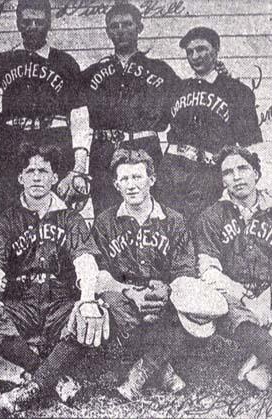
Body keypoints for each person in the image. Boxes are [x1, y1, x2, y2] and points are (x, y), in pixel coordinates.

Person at [0, 143, 109, 413]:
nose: (36, 177)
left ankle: (30, 387)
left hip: (59, 303)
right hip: (22, 303)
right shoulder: (7, 220)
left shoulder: (70, 218)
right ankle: (53, 377)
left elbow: (85, 261)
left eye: (43, 171)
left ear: (55, 177)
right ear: (20, 177)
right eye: (30, 171)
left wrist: (87, 300)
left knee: (92, 315)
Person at [194, 145, 272, 398]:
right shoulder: (211, 216)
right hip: (233, 297)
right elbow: (208, 270)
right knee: (234, 314)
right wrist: (242, 296)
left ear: (256, 173)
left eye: (243, 168)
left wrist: (270, 297)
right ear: (222, 180)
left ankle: (265, 366)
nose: (237, 176)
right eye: (228, 172)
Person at [0, 0, 89, 213]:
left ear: (48, 24)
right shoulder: (5, 60)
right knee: (12, 211)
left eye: (38, 21)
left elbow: (79, 115)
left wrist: (79, 167)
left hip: (55, 141)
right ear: (18, 23)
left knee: (56, 213)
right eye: (27, 21)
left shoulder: (65, 63)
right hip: (14, 143)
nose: (32, 26)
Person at [91, 148, 197, 401]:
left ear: (152, 179)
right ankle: (163, 369)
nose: (131, 185)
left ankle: (141, 372)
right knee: (112, 302)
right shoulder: (105, 222)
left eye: (137, 177)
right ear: (116, 185)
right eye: (124, 179)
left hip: (162, 296)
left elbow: (185, 270)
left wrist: (167, 291)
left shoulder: (174, 220)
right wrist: (131, 293)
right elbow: (99, 274)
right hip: (125, 296)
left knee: (189, 309)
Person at [76, 2, 180, 217]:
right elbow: (68, 107)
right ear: (108, 32)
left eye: (127, 24)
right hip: (104, 152)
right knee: (106, 215)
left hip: (145, 148)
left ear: (139, 28)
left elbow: (184, 104)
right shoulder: (91, 73)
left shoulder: (160, 70)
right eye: (115, 26)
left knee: (148, 213)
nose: (121, 30)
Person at [156, 27, 263, 226]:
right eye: (190, 52)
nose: (195, 56)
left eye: (201, 49)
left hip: (208, 174)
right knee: (168, 227)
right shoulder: (177, 88)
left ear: (216, 50)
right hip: (172, 170)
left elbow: (250, 143)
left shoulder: (237, 92)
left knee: (202, 229)